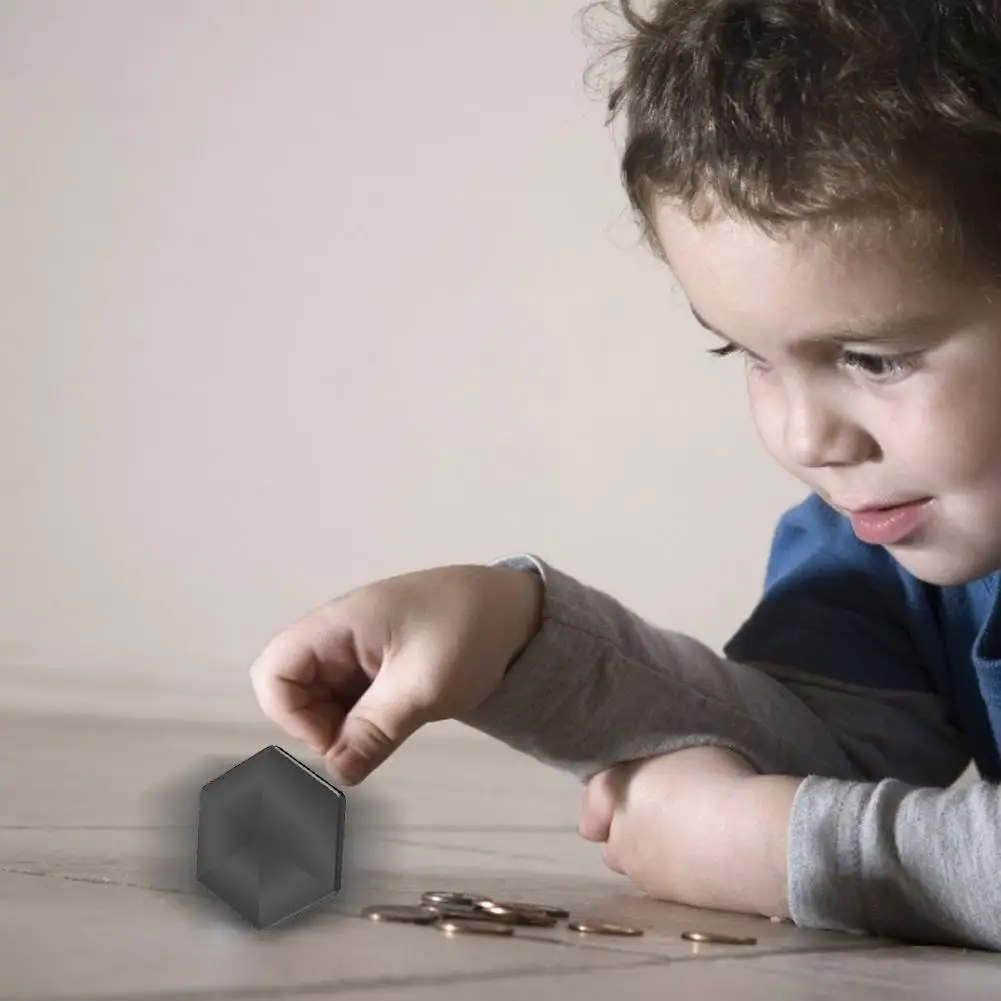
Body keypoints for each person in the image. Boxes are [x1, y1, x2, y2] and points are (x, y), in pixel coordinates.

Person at [250, 0, 1001, 951]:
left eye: (874, 358)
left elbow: (800, 814)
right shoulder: (881, 527)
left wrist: (791, 851)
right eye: (749, 355)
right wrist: (518, 640)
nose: (806, 437)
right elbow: (825, 750)